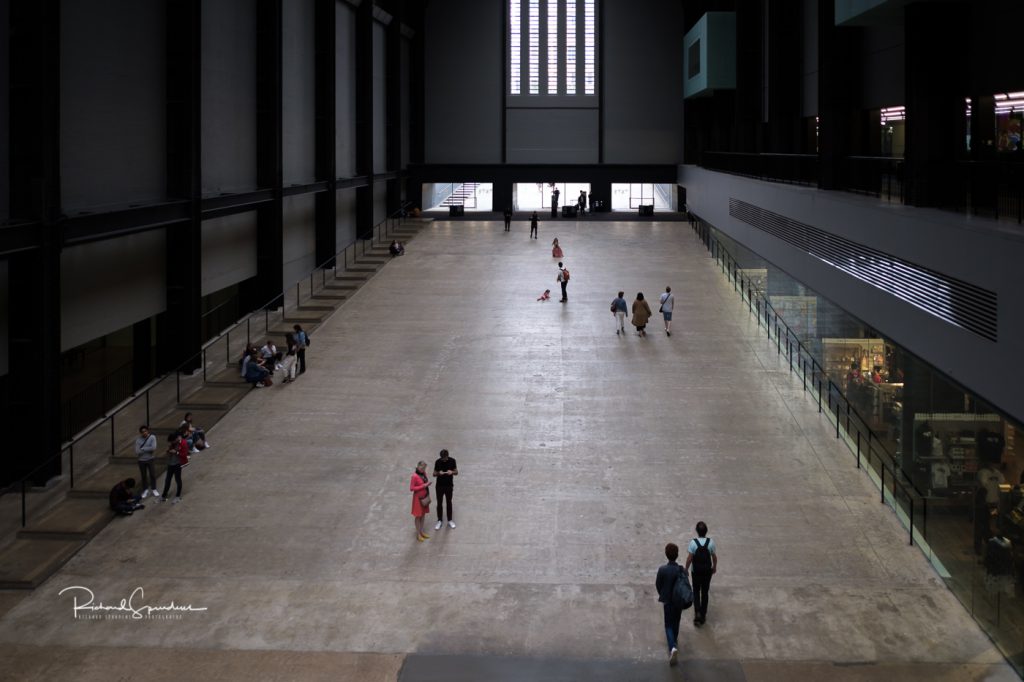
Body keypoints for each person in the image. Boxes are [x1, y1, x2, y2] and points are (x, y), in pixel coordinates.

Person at [684, 521, 718, 626]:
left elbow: (690, 558)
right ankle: (703, 614)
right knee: (704, 592)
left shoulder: (693, 543)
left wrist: (686, 569)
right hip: (707, 572)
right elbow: (714, 557)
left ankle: (697, 613)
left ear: (697, 531)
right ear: (706, 531)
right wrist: (714, 567)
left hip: (696, 572)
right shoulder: (711, 542)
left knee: (696, 591)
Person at [655, 543, 684, 666]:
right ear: (677, 555)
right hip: (679, 601)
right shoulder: (681, 570)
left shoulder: (662, 570)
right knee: (676, 621)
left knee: (668, 625)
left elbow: (658, 585)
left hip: (668, 601)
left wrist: (663, 594)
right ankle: (675, 641)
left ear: (666, 555)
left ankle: (672, 647)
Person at [433, 449, 459, 531]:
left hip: (449, 486)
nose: (443, 460)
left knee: (449, 502)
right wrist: (438, 473)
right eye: (442, 458)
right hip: (439, 486)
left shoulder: (452, 460)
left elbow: (456, 472)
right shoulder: (437, 461)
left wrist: (452, 472)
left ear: (447, 456)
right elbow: (434, 474)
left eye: (445, 458)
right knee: (439, 503)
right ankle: (439, 520)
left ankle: (450, 520)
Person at [160, 432, 187, 504]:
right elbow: (168, 453)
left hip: (177, 464)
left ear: (175, 439)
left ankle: (178, 496)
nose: (171, 442)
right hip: (170, 464)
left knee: (178, 479)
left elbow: (184, 454)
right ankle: (163, 495)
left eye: (172, 441)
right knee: (167, 480)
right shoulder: (171, 444)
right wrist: (168, 451)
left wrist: (176, 452)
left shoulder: (183, 443)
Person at [134, 425, 160, 499]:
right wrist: (148, 449)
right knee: (144, 476)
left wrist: (143, 448)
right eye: (142, 432)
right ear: (140, 433)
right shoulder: (138, 440)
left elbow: (153, 447)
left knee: (152, 474)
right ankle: (145, 490)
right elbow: (137, 451)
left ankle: (154, 489)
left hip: (150, 459)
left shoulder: (152, 437)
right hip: (141, 460)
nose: (144, 433)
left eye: (145, 431)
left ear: (148, 431)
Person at [410, 461, 432, 542]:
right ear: (418, 466)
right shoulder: (414, 476)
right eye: (422, 468)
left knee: (423, 515)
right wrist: (424, 486)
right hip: (417, 499)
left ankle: (422, 532)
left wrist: (427, 484)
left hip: (424, 497)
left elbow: (425, 482)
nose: (423, 469)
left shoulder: (424, 473)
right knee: (418, 516)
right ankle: (418, 534)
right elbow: (411, 488)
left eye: (424, 468)